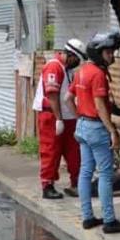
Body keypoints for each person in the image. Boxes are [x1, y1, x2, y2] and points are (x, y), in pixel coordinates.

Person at [70, 32, 120, 234]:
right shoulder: (97, 74)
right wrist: (112, 131)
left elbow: (67, 97)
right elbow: (98, 105)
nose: (112, 56)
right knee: (106, 175)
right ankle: (109, 220)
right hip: (97, 128)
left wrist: (80, 115)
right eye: (109, 52)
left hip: (82, 126)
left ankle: (88, 217)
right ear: (99, 53)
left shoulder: (82, 70)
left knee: (86, 172)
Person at [34, 38, 85, 200]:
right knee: (51, 150)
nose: (77, 63)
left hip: (67, 117)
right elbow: (52, 94)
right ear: (70, 55)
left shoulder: (67, 69)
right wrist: (58, 119)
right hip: (51, 115)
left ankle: (76, 182)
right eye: (77, 60)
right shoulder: (54, 67)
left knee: (74, 151)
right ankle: (47, 185)